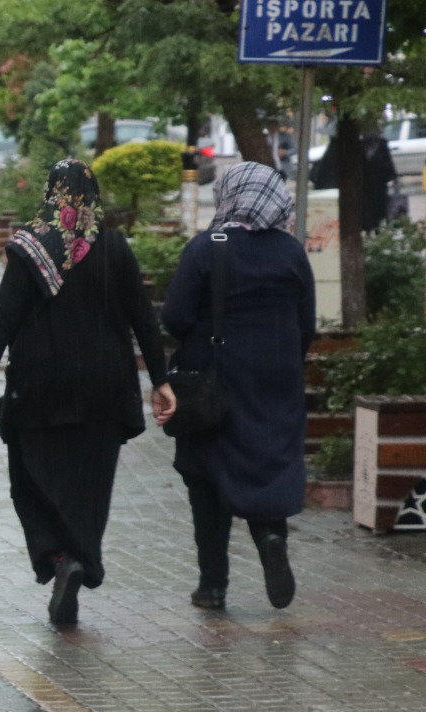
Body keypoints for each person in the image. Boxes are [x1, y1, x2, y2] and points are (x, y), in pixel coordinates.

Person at [0, 160, 171, 625]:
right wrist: (161, 381)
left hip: (41, 384)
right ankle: (80, 557)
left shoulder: (29, 245)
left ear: (51, 192)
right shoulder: (114, 246)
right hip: (105, 386)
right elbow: (143, 317)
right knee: (90, 484)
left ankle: (60, 560)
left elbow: (5, 314)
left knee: (28, 476)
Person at [162, 162, 314, 611]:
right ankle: (270, 537)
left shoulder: (209, 247)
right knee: (269, 463)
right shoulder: (290, 252)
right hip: (277, 379)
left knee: (206, 478)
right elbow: (307, 323)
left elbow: (175, 316)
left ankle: (213, 585)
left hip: (216, 382)